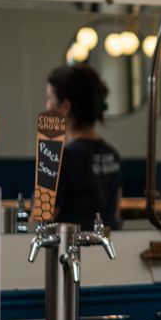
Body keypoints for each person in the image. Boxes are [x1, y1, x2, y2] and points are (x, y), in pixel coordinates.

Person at [45, 64, 122, 231]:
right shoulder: (113, 155)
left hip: (68, 245)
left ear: (65, 107)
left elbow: (40, 222)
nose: (47, 105)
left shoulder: (57, 157)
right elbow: (115, 215)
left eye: (49, 98)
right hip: (105, 245)